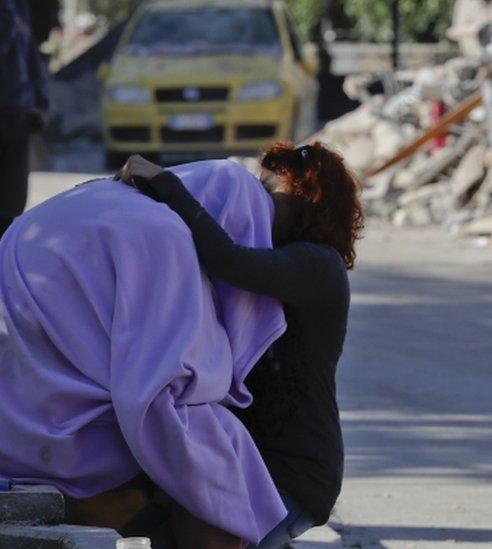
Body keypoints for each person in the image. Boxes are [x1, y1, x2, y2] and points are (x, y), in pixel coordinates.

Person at [117, 142, 363, 548]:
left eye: (271, 191)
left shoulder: (318, 264)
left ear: (307, 198)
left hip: (292, 474)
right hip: (247, 466)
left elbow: (229, 260)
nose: (259, 202)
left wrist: (166, 184)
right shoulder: (284, 260)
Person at [0, 0, 49, 236]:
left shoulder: (17, 5)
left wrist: (40, 100)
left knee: (12, 206)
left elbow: (28, 48)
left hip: (18, 112)